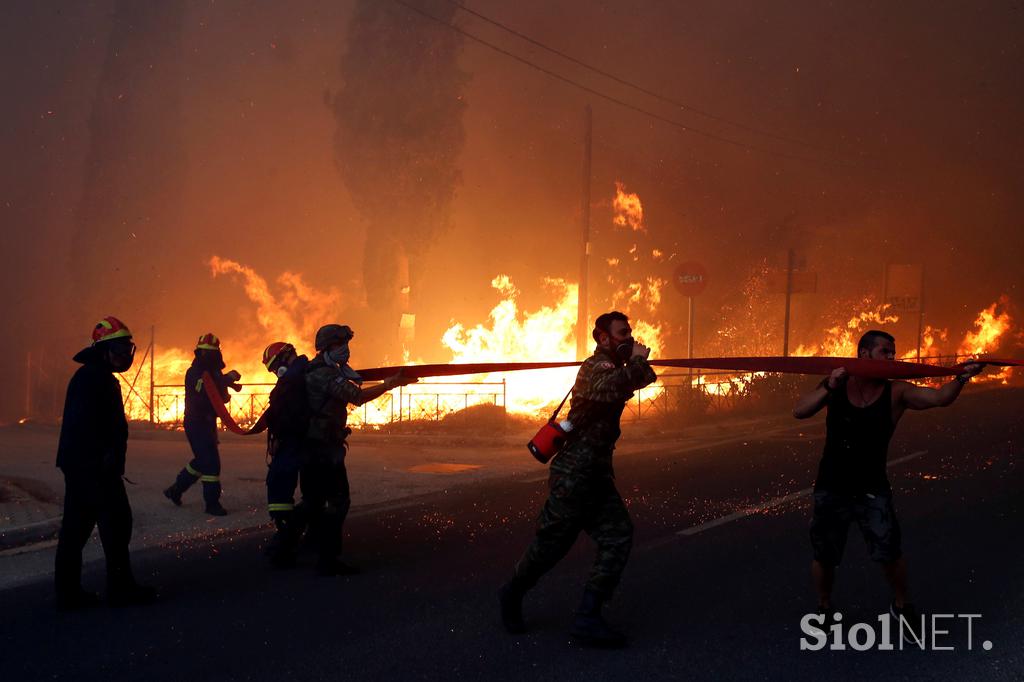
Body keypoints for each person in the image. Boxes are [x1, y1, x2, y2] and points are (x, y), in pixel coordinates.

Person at [793, 329, 983, 640]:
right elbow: (799, 411)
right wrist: (830, 385)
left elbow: (939, 398)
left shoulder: (897, 392)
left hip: (872, 488)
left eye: (893, 352)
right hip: (832, 485)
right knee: (825, 555)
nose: (892, 357)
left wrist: (962, 378)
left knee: (889, 553)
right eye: (885, 351)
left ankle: (902, 605)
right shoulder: (836, 385)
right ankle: (824, 608)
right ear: (864, 355)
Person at [499, 311, 657, 647]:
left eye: (630, 332)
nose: (629, 337)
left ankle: (588, 616)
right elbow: (615, 386)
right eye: (622, 333)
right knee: (550, 547)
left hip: (596, 475)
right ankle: (511, 594)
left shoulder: (619, 367)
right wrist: (638, 362)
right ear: (603, 338)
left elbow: (646, 378)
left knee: (618, 536)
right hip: (573, 475)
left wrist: (638, 363)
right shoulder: (594, 368)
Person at [54, 316, 157, 610]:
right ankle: (120, 589)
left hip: (84, 467)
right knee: (116, 524)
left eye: (128, 348)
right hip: (94, 469)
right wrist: (103, 460)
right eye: (121, 349)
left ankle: (68, 593)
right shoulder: (93, 379)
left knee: (76, 529)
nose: (126, 355)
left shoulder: (95, 376)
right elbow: (85, 426)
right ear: (103, 350)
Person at [303, 324, 417, 575]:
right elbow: (356, 397)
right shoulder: (324, 374)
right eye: (340, 344)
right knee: (338, 501)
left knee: (313, 501)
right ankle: (327, 559)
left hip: (313, 446)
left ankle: (296, 544)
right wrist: (389, 384)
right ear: (328, 347)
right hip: (323, 448)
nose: (346, 350)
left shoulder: (319, 369)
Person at [163, 333, 242, 516]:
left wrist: (225, 392)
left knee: (202, 461)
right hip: (196, 422)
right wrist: (228, 378)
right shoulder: (194, 372)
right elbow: (205, 387)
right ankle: (212, 504)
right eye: (206, 352)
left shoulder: (215, 371)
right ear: (200, 353)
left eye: (212, 352)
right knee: (211, 463)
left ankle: (175, 490)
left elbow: (218, 395)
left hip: (208, 422)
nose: (210, 356)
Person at [261, 341, 310, 568]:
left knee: (279, 489)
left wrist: (279, 432)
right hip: (293, 442)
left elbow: (288, 414)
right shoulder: (297, 375)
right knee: (289, 491)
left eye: (274, 366)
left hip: (293, 442)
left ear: (285, 357)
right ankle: (287, 539)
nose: (274, 372)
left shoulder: (294, 378)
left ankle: (285, 543)